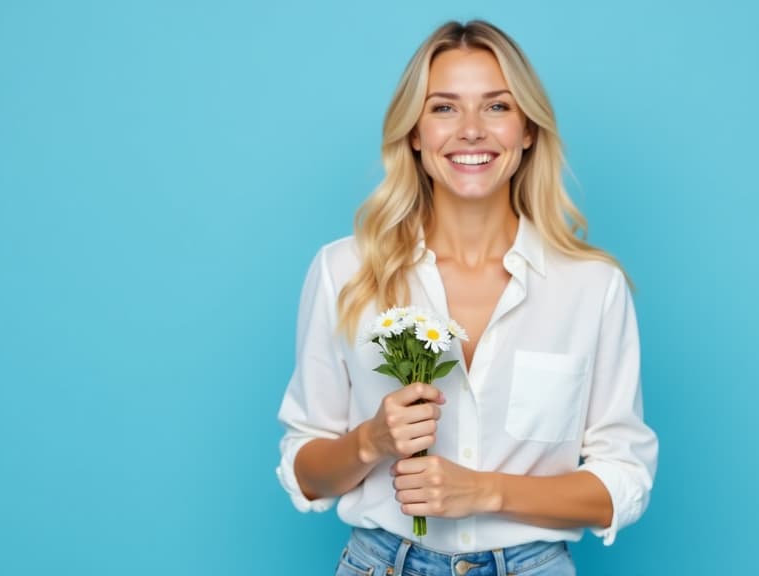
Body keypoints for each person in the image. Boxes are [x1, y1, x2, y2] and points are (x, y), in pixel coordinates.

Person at [276, 19, 658, 576]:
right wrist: (370, 441)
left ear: (528, 129)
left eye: (497, 107)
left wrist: (485, 492)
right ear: (413, 132)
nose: (472, 130)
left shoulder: (592, 287)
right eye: (444, 108)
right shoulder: (345, 271)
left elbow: (623, 482)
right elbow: (307, 471)